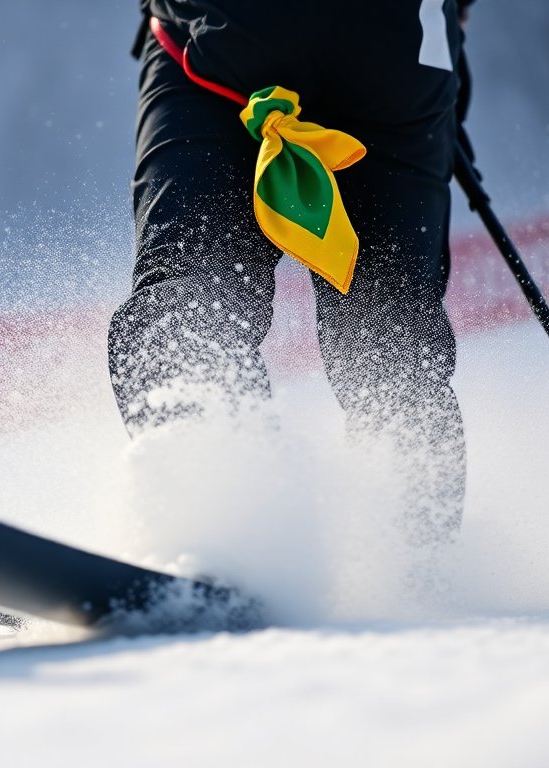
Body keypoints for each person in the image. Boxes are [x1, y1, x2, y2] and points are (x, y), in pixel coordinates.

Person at [108, 0, 475, 547]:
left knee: (389, 354)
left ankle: (405, 559)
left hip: (382, 81)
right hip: (219, 63)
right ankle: (210, 527)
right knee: (194, 303)